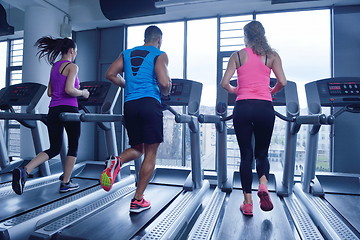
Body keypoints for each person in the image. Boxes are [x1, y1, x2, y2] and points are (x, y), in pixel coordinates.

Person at [102, 25, 172, 213]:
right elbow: (164, 83)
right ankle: (138, 199)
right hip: (150, 103)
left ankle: (117, 161)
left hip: (130, 105)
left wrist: (127, 84)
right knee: (151, 153)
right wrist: (166, 91)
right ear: (159, 40)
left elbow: (110, 74)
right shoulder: (159, 54)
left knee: (137, 148)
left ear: (145, 38)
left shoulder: (126, 53)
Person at [221, 20, 287, 216]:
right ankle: (264, 185)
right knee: (262, 153)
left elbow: (224, 83)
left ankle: (247, 204)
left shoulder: (237, 56)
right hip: (264, 107)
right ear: (263, 35)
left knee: (245, 156)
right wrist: (271, 91)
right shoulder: (272, 56)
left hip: (243, 106)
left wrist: (236, 90)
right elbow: (282, 81)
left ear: (245, 36)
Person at [12, 36, 90, 195]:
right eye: (75, 52)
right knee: (73, 146)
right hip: (69, 110)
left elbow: (50, 92)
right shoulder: (72, 67)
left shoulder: (54, 67)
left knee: (54, 148)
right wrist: (83, 92)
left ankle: (24, 170)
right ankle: (66, 182)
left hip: (53, 110)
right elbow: (69, 90)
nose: (75, 54)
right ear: (71, 51)